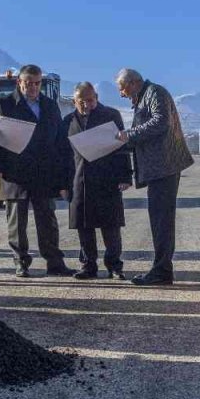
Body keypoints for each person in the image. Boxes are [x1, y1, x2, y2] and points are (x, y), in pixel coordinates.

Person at [115, 68, 194, 286]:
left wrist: (128, 135)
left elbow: (160, 122)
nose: (121, 94)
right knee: (159, 220)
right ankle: (161, 269)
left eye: (121, 88)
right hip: (160, 168)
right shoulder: (146, 95)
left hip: (164, 167)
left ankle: (162, 271)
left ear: (132, 83)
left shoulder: (154, 92)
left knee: (162, 221)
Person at [0, 63, 73, 277]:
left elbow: (59, 140)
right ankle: (21, 262)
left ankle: (54, 262)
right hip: (15, 172)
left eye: (37, 83)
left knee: (47, 218)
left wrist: (61, 173)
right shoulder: (4, 103)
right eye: (28, 83)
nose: (33, 87)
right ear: (19, 82)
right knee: (17, 220)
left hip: (44, 171)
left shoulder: (49, 105)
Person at [64, 82, 132, 279]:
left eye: (90, 100)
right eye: (81, 101)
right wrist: (62, 184)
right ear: (74, 101)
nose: (86, 105)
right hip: (79, 181)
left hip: (107, 180)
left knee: (110, 227)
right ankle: (88, 266)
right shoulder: (68, 121)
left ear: (97, 98)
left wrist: (125, 176)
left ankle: (114, 266)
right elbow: (62, 155)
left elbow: (121, 148)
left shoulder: (111, 115)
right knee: (83, 227)